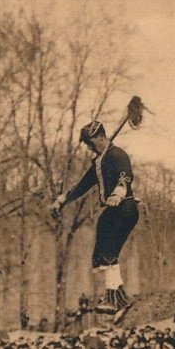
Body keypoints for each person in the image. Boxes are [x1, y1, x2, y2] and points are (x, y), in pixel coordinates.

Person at [51, 120, 139, 323]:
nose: (89, 147)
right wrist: (62, 200)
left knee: (108, 250)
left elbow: (125, 175)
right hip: (111, 210)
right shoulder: (99, 162)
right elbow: (82, 185)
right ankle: (119, 298)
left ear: (100, 136)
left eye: (91, 142)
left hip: (124, 206)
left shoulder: (118, 155)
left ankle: (113, 298)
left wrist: (118, 193)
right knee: (102, 253)